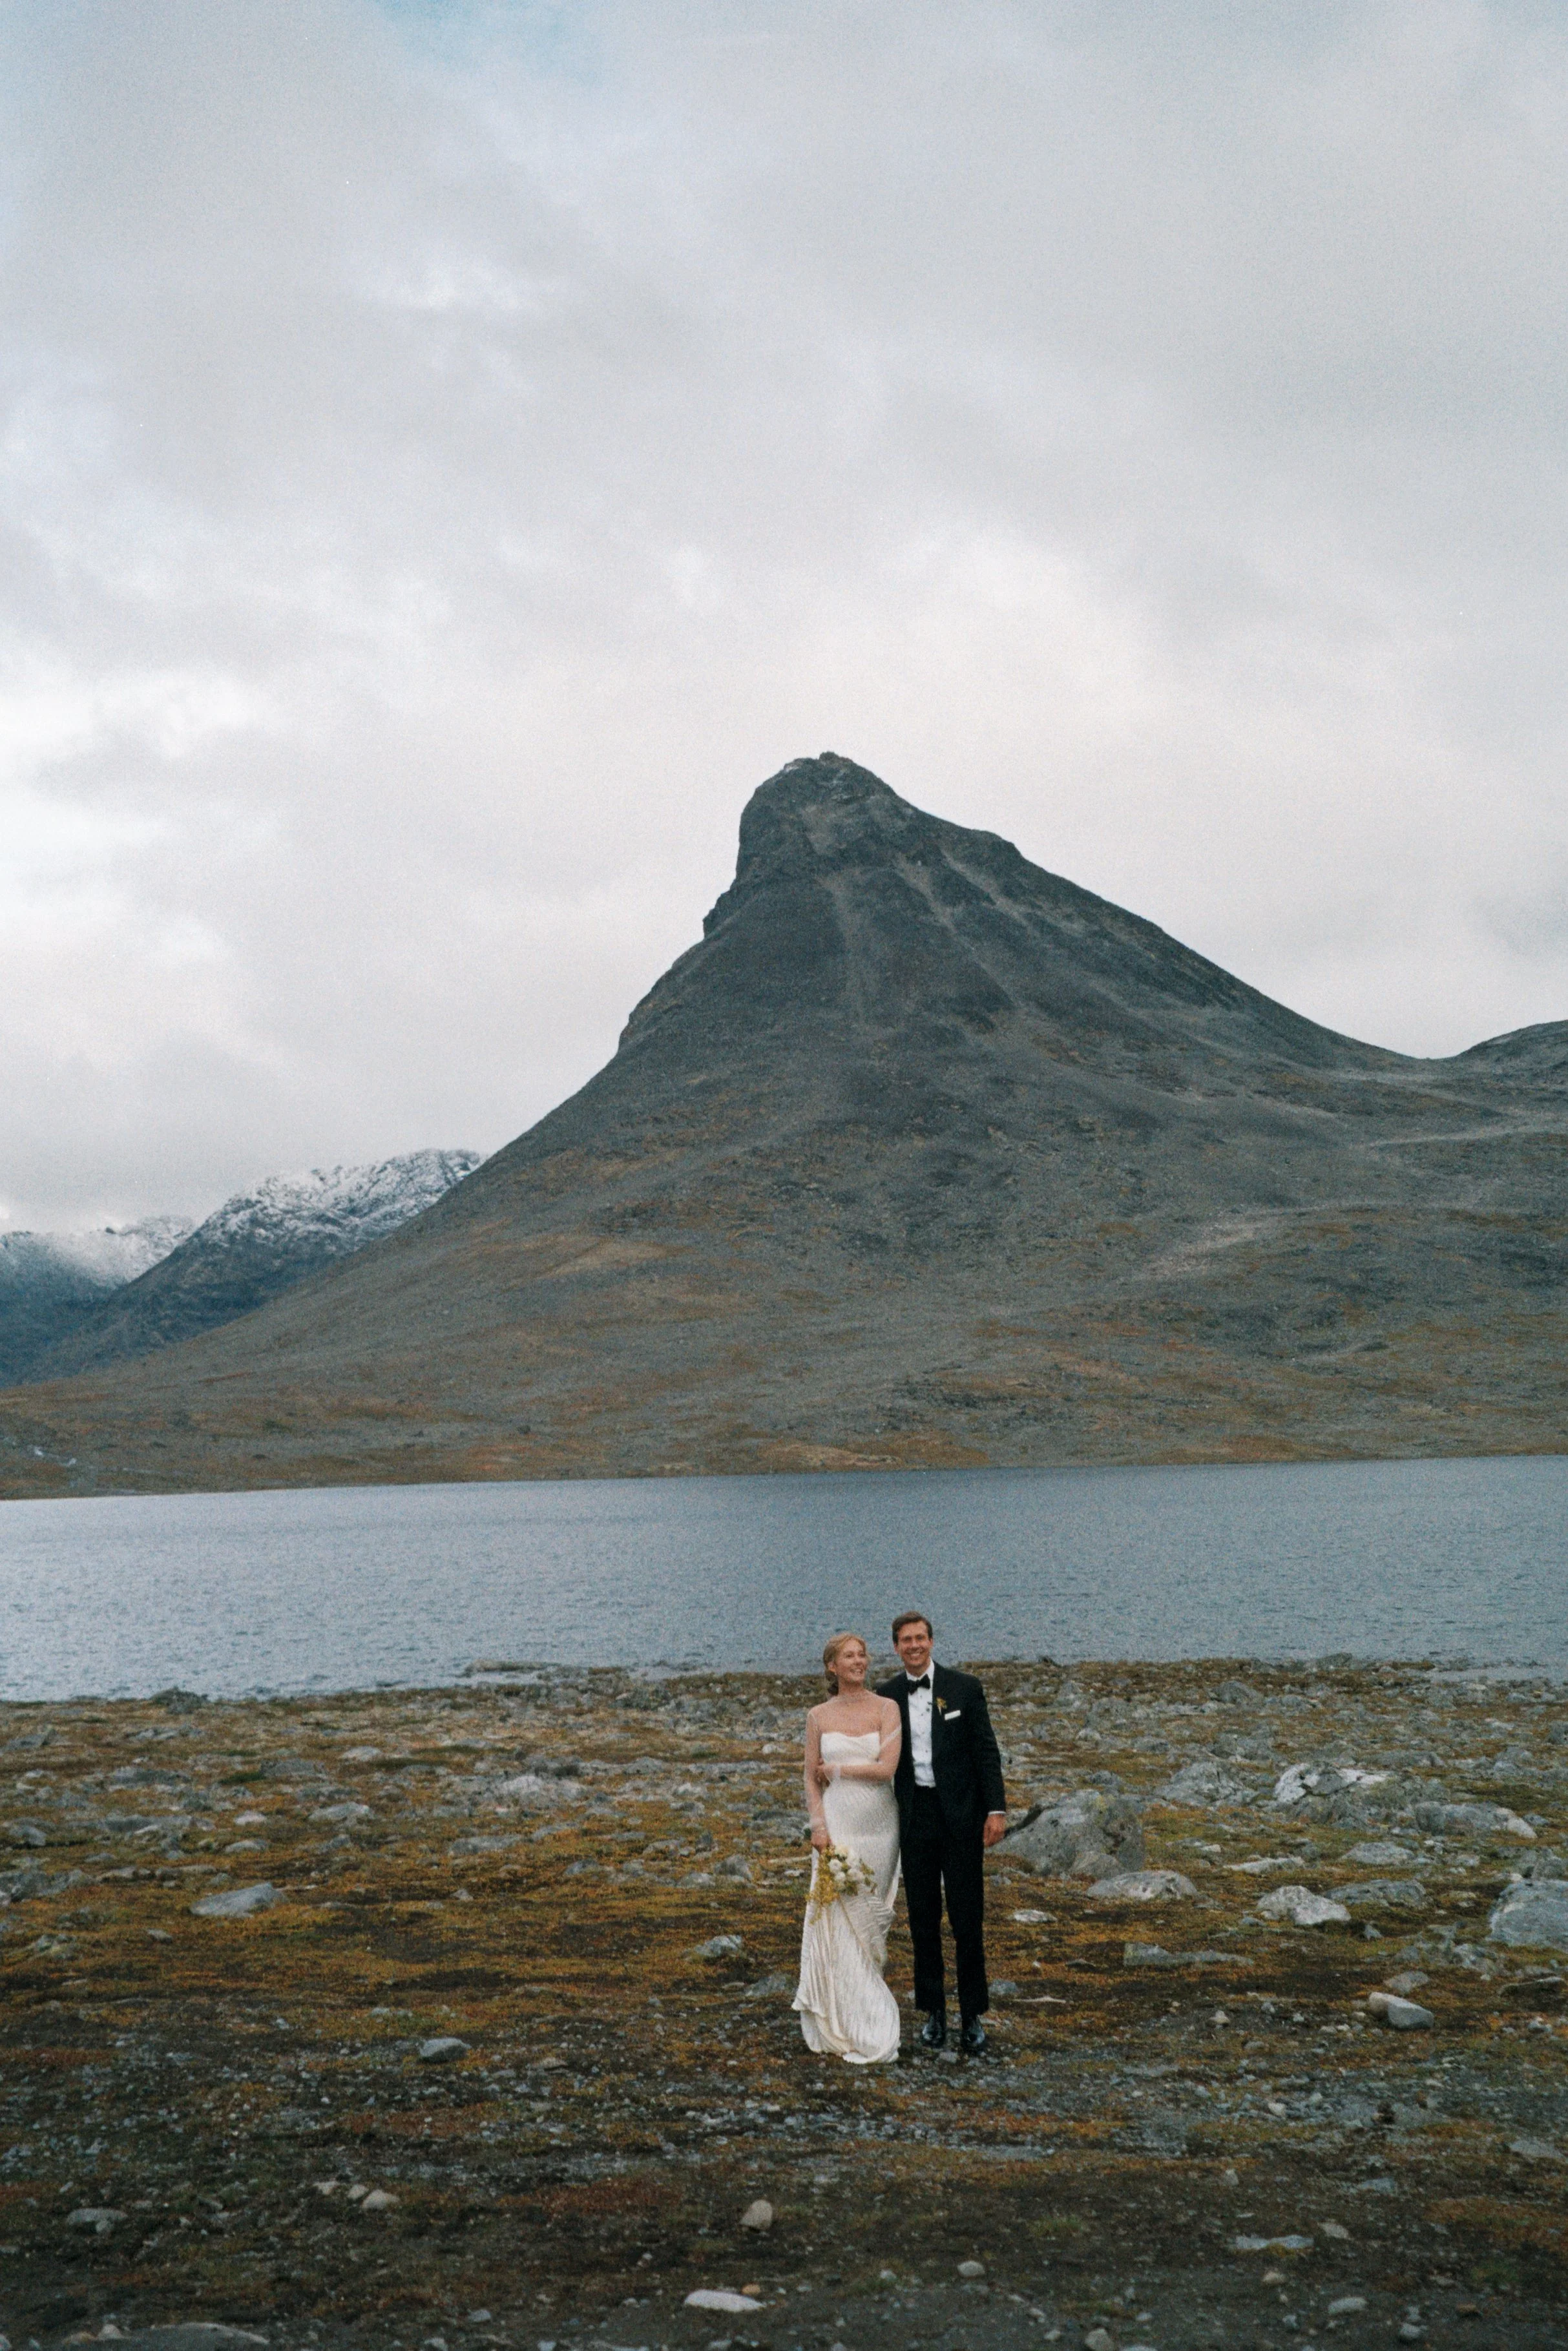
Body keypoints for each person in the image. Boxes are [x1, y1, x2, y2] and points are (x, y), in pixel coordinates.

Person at [877, 1609, 1006, 2054]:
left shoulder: (964, 1688)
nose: (914, 1646)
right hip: (915, 1818)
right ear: (895, 1647)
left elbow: (986, 1751)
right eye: (905, 1640)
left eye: (920, 1638)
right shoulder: (886, 1695)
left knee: (968, 1917)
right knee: (922, 1918)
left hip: (963, 1816)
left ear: (931, 1641)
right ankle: (933, 2010)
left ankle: (972, 2014)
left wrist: (996, 1808)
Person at [793, 1631, 903, 2065]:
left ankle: (867, 2010)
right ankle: (842, 2018)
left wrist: (836, 1766)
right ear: (832, 1666)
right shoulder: (818, 1715)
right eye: (849, 1656)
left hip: (879, 1823)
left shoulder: (885, 1707)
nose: (858, 1661)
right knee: (834, 1917)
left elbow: (886, 1768)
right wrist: (818, 1827)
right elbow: (808, 1776)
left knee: (868, 1918)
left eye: (862, 1655)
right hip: (837, 1822)